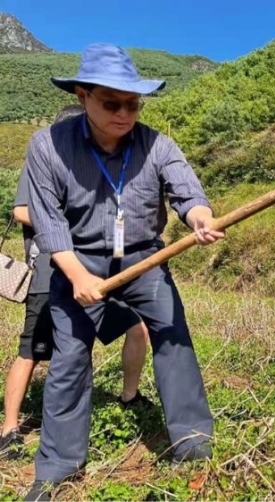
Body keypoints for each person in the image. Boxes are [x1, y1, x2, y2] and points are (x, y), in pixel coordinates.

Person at [23, 44, 224, 501]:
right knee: (70, 358)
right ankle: (57, 467)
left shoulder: (158, 145)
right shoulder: (48, 146)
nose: (124, 114)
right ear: (82, 97)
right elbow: (49, 224)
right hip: (77, 260)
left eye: (132, 104)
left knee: (173, 339)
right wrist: (78, 277)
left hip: (143, 259)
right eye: (111, 103)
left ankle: (194, 446)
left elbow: (188, 194)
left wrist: (200, 219)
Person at [0, 105, 150, 462]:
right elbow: (20, 210)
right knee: (32, 353)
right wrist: (69, 217)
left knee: (137, 328)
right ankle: (9, 428)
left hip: (96, 275)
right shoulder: (42, 161)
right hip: (49, 275)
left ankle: (129, 396)